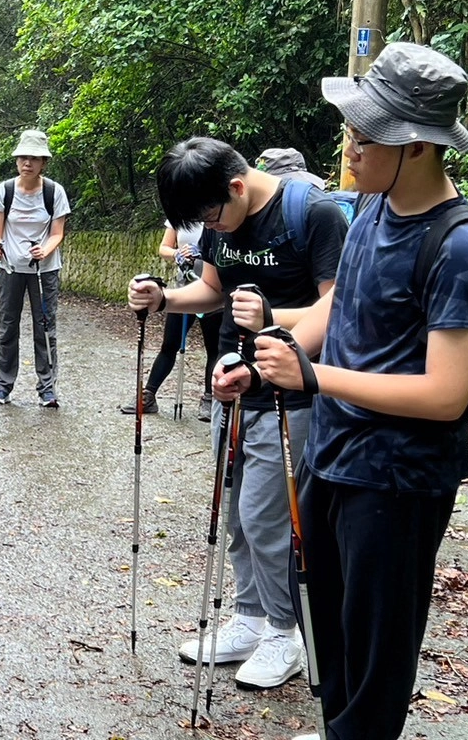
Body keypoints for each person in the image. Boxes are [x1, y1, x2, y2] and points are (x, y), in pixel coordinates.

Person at [234, 44, 468, 740]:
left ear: (416, 144)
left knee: (381, 620)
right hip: (338, 452)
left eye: (364, 135)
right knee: (335, 606)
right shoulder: (371, 209)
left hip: (400, 473)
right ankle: (355, 739)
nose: (346, 147)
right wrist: (269, 354)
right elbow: (331, 316)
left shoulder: (459, 248)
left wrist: (315, 382)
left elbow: (445, 393)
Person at [127, 136, 346, 690]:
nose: (211, 229)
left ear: (237, 186)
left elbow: (339, 306)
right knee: (237, 515)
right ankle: (249, 619)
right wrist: (163, 299)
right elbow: (210, 291)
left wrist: (276, 315)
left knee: (268, 519)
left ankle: (285, 633)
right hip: (233, 389)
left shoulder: (312, 214)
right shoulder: (219, 222)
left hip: (289, 394)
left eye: (210, 217)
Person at [0, 129, 70, 407]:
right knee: (7, 327)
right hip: (10, 268)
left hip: (44, 271)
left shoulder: (54, 192)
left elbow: (58, 233)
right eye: (23, 157)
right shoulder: (5, 191)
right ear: (17, 160)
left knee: (45, 328)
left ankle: (47, 389)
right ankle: (2, 387)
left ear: (44, 163)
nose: (28, 163)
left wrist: (45, 250)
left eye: (34, 158)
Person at [118, 220, 222, 419]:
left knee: (213, 348)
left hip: (213, 290)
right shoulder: (179, 213)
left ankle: (209, 398)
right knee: (169, 344)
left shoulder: (217, 213)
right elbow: (164, 247)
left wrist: (204, 253)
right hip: (183, 289)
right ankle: (148, 395)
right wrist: (177, 253)